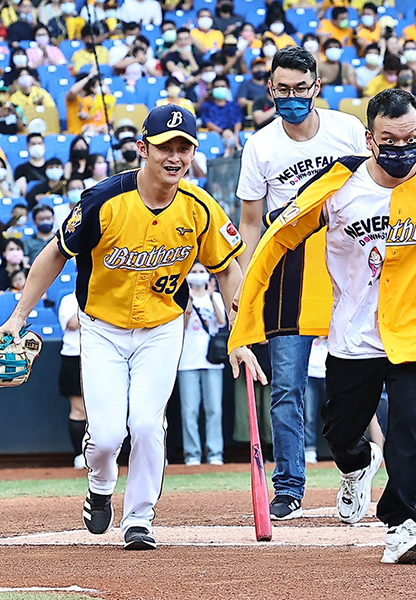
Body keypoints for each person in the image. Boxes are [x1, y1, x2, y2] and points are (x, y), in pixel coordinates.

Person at [229, 88, 416, 563]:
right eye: (390, 141)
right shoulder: (335, 185)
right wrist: (247, 304)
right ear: (370, 139)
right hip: (352, 334)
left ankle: (401, 526)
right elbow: (276, 239)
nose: (402, 149)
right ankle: (357, 465)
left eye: (411, 139)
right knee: (341, 433)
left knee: (411, 422)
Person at [0, 105, 264, 550]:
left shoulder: (199, 207)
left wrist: (239, 334)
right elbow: (55, 252)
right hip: (102, 327)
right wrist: (18, 315)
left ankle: (139, 518)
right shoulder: (103, 199)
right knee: (106, 437)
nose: (174, 157)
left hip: (161, 327)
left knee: (145, 424)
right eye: (164, 147)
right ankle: (100, 486)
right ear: (143, 148)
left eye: (184, 148)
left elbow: (227, 269)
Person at [235, 46, 367, 521]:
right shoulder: (260, 146)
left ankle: (402, 472)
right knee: (287, 386)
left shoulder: (347, 129)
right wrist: (247, 280)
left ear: (317, 87)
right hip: (289, 265)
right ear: (270, 89)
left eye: (300, 88)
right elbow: (251, 221)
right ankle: (289, 486)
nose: (292, 97)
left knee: (369, 375)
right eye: (283, 89)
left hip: (349, 257)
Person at [177, 263, 226, 466]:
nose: (197, 275)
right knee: (190, 410)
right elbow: (182, 325)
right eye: (194, 272)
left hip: (211, 360)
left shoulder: (215, 297)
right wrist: (188, 299)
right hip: (187, 361)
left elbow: (222, 322)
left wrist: (211, 296)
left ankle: (215, 452)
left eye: (201, 272)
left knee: (214, 409)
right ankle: (192, 454)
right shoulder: (183, 298)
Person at [57, 291, 86, 469]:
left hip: (102, 357)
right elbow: (73, 323)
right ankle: (80, 454)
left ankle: (103, 455)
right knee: (79, 409)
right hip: (74, 357)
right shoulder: (68, 300)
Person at [304, 336, 327, 464]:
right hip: (310, 374)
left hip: (328, 374)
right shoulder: (308, 335)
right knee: (309, 415)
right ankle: (310, 450)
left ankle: (338, 449)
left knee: (334, 414)